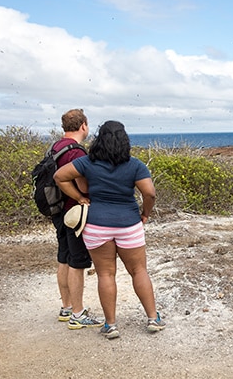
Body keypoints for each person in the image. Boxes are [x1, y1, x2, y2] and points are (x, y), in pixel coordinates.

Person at [54, 120, 165, 340]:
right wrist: (146, 214)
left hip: (97, 225)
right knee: (139, 271)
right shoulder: (135, 165)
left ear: (99, 140)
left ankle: (111, 325)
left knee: (105, 274)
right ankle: (153, 318)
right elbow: (150, 193)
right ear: (125, 141)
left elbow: (59, 177)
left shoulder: (87, 163)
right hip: (129, 224)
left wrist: (79, 198)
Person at [52, 108, 104, 329]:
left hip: (58, 210)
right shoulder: (76, 152)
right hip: (74, 213)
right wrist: (82, 197)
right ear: (84, 125)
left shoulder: (56, 146)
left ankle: (66, 307)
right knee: (77, 262)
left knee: (64, 258)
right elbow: (82, 183)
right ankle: (77, 313)